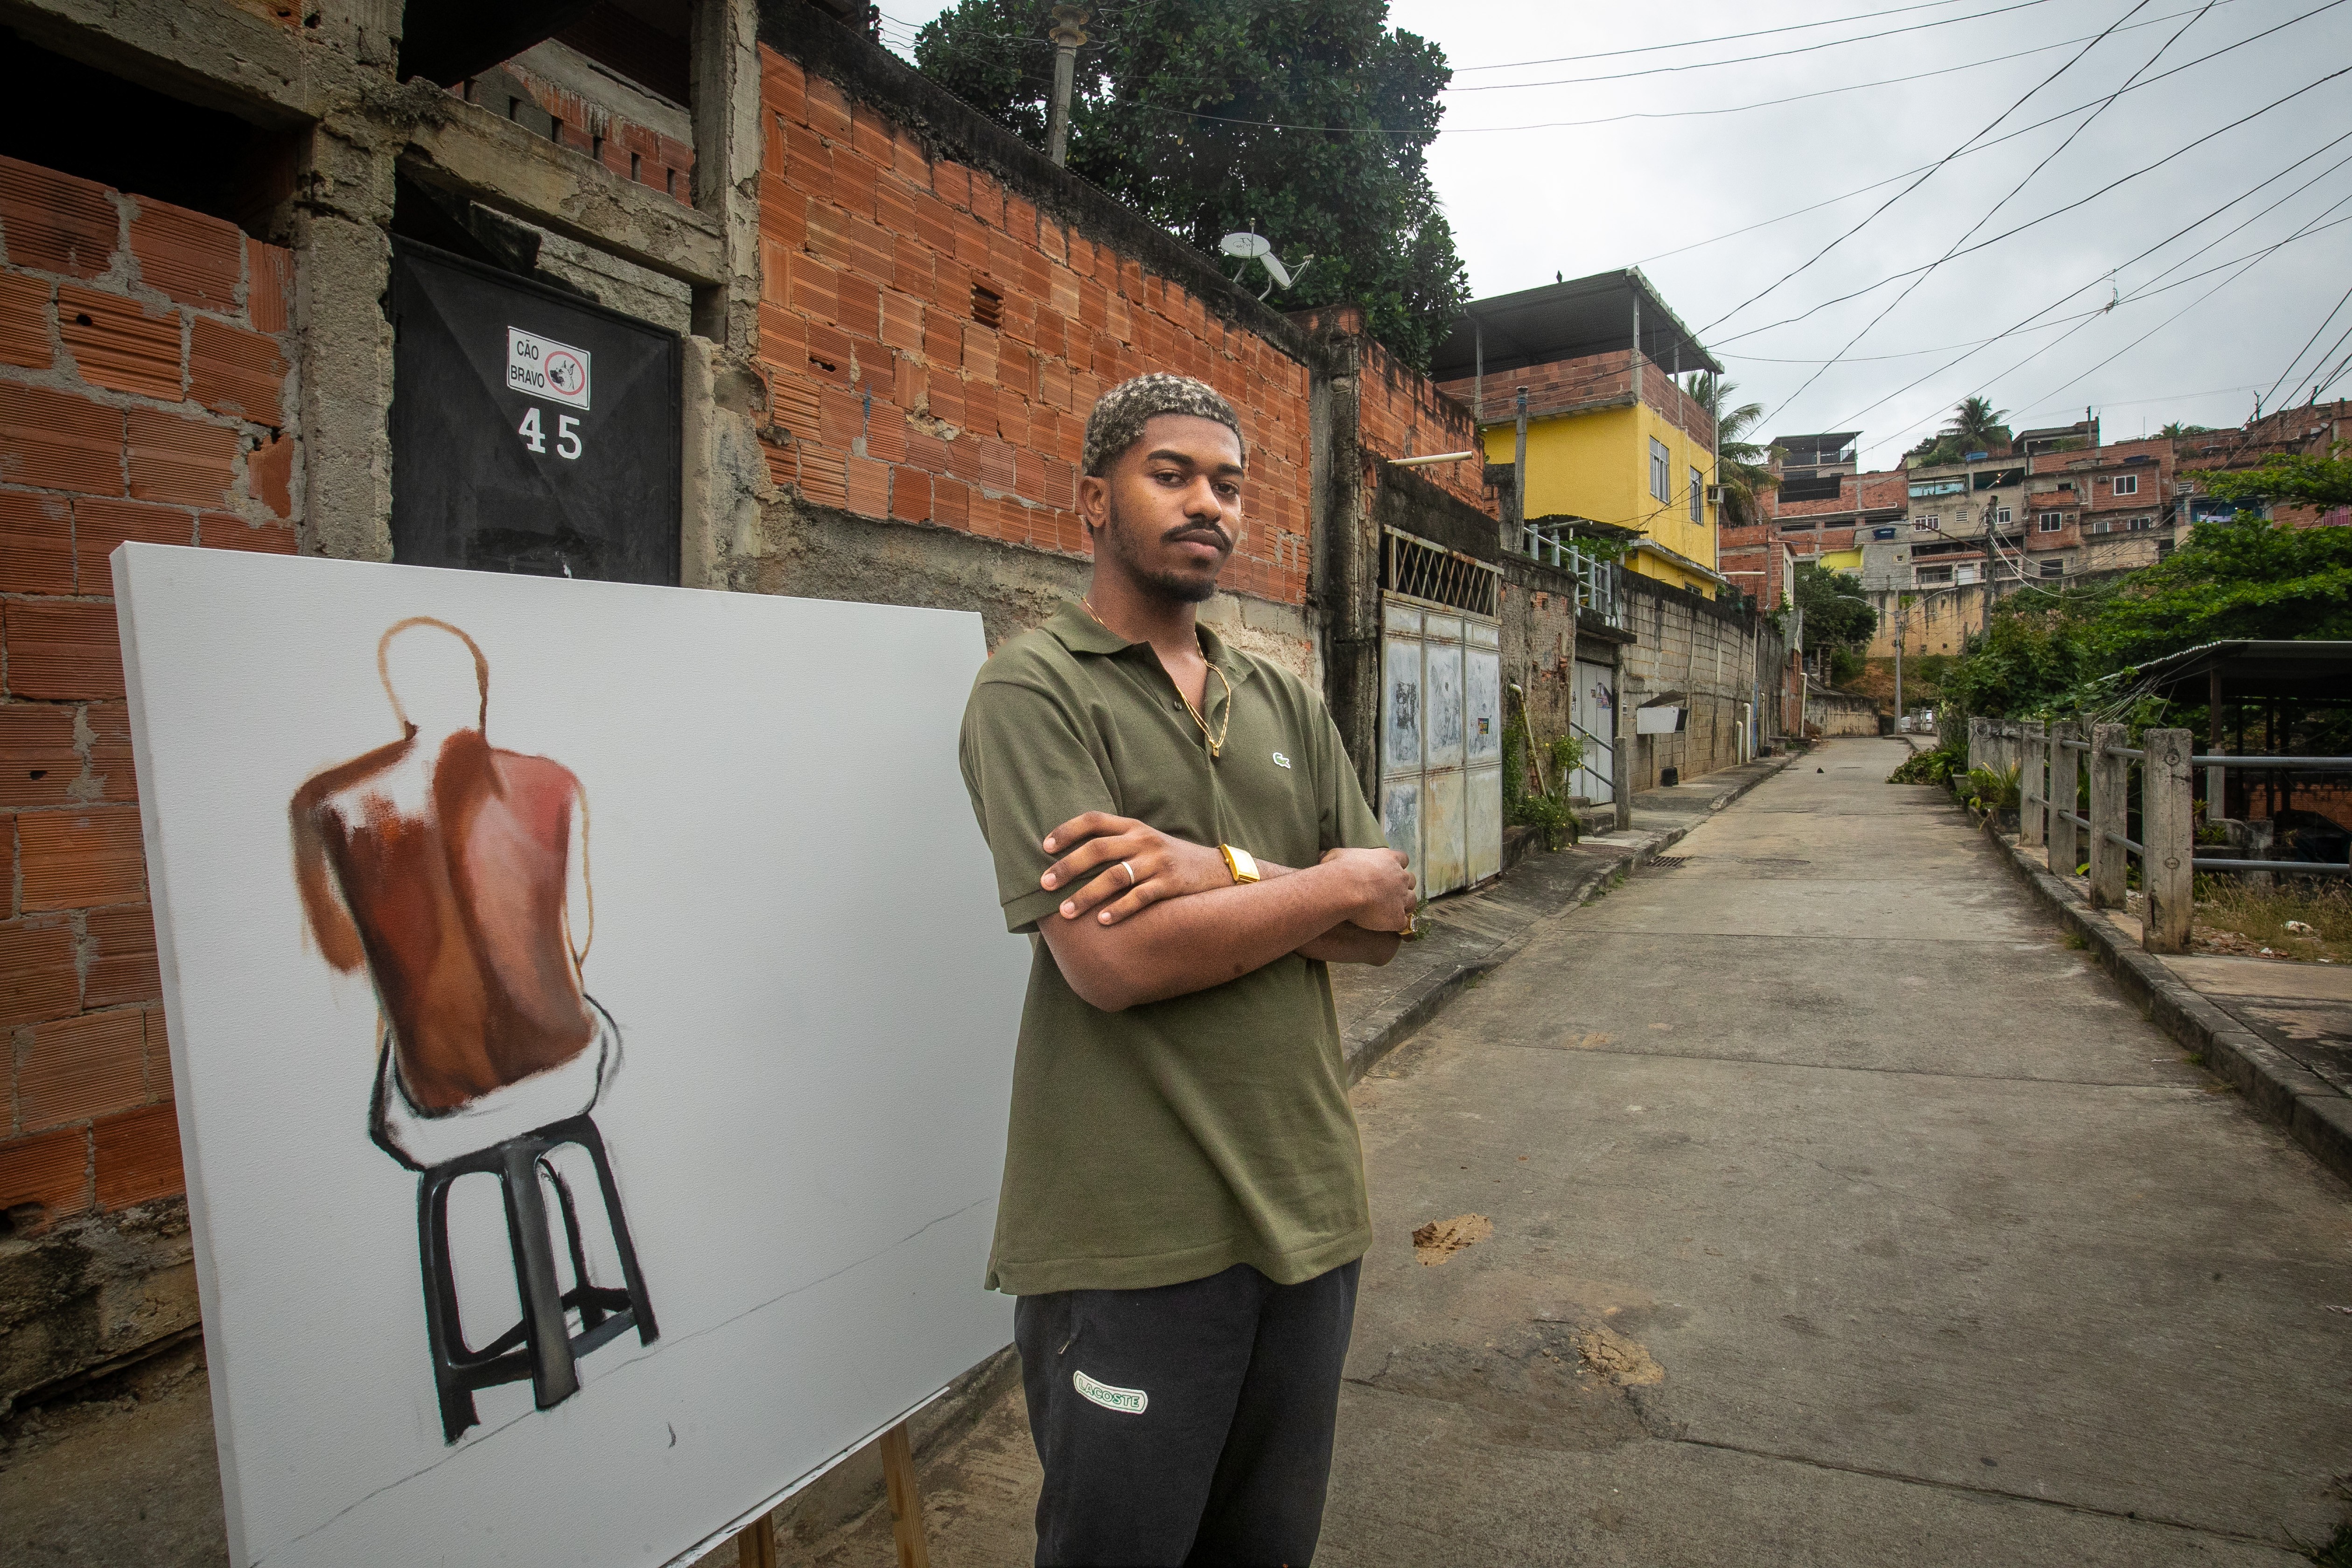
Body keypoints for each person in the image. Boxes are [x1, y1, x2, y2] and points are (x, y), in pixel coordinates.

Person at [959, 373, 1416, 1566]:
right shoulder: (1035, 688)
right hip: (1135, 1239)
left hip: (1307, 1207)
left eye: (1227, 484)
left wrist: (1209, 868)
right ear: (1092, 503)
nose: (1207, 502)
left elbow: (1385, 921)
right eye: (1172, 475)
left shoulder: (1282, 696)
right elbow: (1114, 962)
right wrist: (1319, 885)